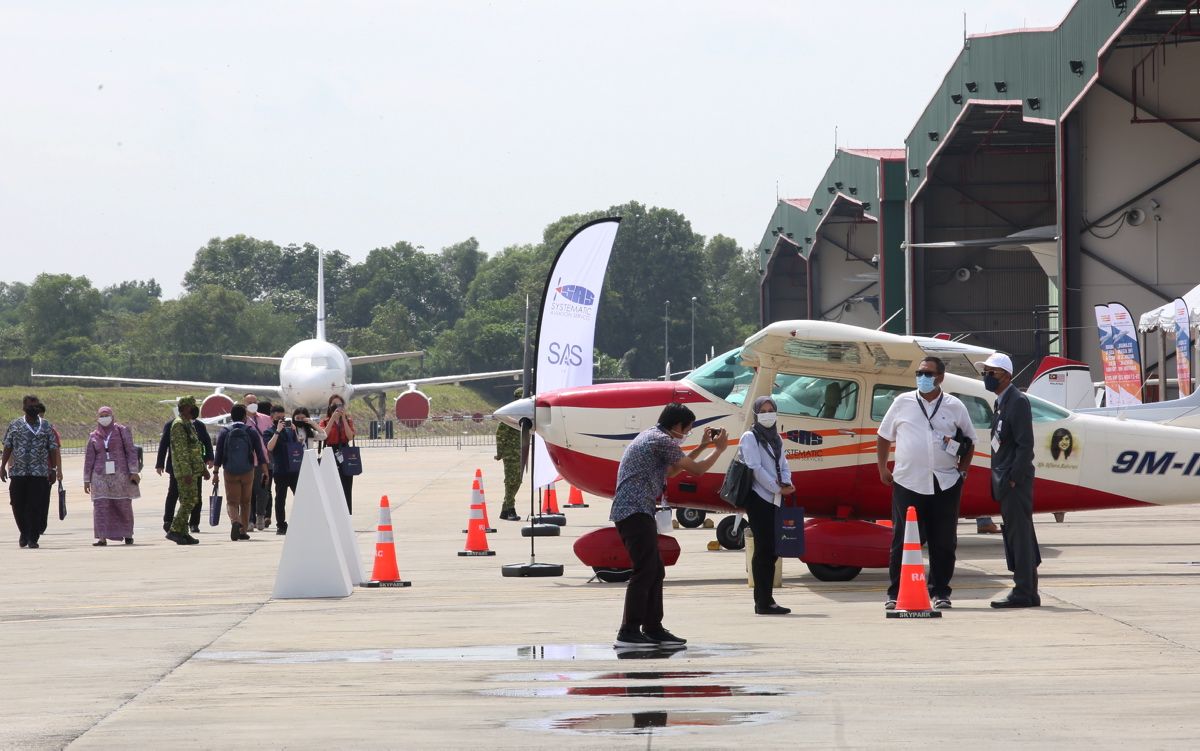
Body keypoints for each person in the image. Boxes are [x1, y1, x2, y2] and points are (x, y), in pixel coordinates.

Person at [609, 402, 728, 648]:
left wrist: (704, 446)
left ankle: (653, 627)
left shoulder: (654, 436)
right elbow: (695, 470)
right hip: (634, 510)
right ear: (677, 426)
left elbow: (673, 471)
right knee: (645, 570)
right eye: (688, 430)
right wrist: (719, 450)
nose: (686, 435)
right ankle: (628, 631)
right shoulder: (659, 440)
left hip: (637, 510)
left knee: (655, 569)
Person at [877, 356, 977, 611]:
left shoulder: (955, 406)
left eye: (928, 373)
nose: (922, 377)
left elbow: (969, 441)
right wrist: (882, 467)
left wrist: (962, 472)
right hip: (908, 482)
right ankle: (895, 591)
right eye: (920, 373)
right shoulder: (903, 402)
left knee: (943, 541)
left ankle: (940, 591)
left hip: (945, 482)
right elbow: (884, 436)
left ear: (940, 377)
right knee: (903, 540)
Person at [981, 352, 1041, 608]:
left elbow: (1025, 445)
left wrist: (1014, 478)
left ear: (1007, 375)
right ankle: (1029, 591)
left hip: (1013, 481)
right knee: (1020, 534)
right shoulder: (1001, 402)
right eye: (985, 372)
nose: (987, 377)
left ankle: (1023, 591)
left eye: (991, 373)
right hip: (1005, 479)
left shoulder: (1017, 401)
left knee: (1020, 535)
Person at [739, 396, 795, 615]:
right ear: (755, 414)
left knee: (771, 551)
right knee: (764, 550)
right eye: (763, 410)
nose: (768, 413)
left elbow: (783, 463)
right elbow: (755, 468)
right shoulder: (750, 437)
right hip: (760, 498)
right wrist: (776, 487)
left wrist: (787, 482)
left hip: (775, 498)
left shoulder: (776, 438)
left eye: (771, 409)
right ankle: (763, 602)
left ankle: (767, 599)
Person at [2, 395, 61, 549]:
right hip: (18, 472)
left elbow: (53, 449)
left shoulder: (46, 426)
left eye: (36, 405)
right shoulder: (15, 425)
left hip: (39, 473)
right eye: (30, 405)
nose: (33, 408)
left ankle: (33, 537)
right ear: (24, 407)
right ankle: (24, 531)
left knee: (36, 505)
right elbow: (8, 446)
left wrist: (54, 469)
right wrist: (2, 467)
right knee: (17, 503)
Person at [83, 407, 140, 546]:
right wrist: (86, 479)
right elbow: (89, 458)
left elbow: (131, 451)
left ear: (112, 416)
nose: (104, 418)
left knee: (123, 505)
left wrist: (134, 471)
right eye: (101, 415)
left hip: (120, 474)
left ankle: (127, 534)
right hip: (100, 475)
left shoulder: (122, 431)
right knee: (101, 506)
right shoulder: (94, 435)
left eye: (106, 415)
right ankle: (102, 537)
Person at [264, 406, 325, 535]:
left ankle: (303, 521)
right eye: (278, 418)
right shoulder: (269, 431)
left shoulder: (290, 430)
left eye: (282, 418)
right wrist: (277, 431)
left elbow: (297, 446)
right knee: (280, 499)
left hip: (294, 469)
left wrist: (294, 432)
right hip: (280, 469)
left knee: (301, 497)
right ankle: (281, 525)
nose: (281, 420)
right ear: (272, 418)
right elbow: (269, 447)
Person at [214, 403, 267, 541]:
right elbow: (260, 454)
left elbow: (219, 453)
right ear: (244, 416)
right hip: (248, 470)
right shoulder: (251, 431)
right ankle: (243, 530)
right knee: (245, 501)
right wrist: (265, 471)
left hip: (230, 470)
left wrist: (215, 472)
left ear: (231, 416)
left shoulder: (225, 431)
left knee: (232, 502)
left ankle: (235, 522)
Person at [156, 410, 214, 534]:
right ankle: (168, 520)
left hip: (196, 467)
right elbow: (163, 444)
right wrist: (159, 463)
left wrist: (209, 458)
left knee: (196, 496)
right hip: (177, 467)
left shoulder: (199, 425)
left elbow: (206, 442)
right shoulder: (173, 425)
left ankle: (194, 523)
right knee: (173, 493)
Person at [166, 396, 209, 545]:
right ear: (184, 408)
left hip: (193, 470)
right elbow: (181, 451)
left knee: (190, 500)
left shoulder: (188, 424)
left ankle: (183, 533)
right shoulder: (178, 425)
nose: (194, 409)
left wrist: (203, 469)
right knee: (188, 501)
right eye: (192, 406)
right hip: (186, 472)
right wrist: (186, 473)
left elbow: (195, 450)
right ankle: (175, 530)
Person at [319, 394, 356, 514]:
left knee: (346, 484)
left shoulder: (348, 420)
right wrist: (332, 419)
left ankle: (347, 513)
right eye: (334, 405)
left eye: (340, 405)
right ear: (330, 407)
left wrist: (343, 419)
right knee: (331, 484)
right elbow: (323, 435)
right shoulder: (324, 421)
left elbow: (350, 436)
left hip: (345, 451)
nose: (337, 407)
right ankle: (332, 512)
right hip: (330, 451)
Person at [242, 394, 273, 531]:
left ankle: (260, 515)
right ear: (244, 403)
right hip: (247, 462)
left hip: (263, 461)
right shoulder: (242, 420)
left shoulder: (266, 419)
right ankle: (249, 520)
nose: (253, 404)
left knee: (263, 491)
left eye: (255, 402)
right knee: (247, 493)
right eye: (249, 402)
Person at [494, 387, 524, 521]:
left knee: (517, 481)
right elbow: (500, 435)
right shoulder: (510, 415)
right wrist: (500, 453)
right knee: (511, 481)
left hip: (520, 452)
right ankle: (510, 509)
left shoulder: (523, 415)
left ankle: (505, 510)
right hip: (511, 454)